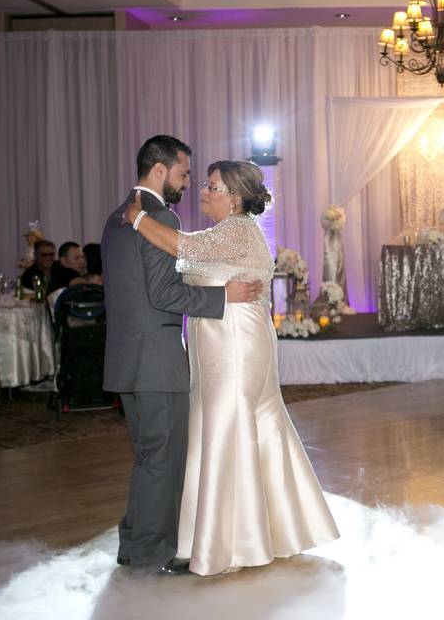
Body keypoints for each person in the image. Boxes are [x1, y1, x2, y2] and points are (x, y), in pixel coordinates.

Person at [123, 159, 339, 576]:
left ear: (235, 198)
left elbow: (181, 248)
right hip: (224, 344)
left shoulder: (238, 231)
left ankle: (233, 542)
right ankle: (266, 531)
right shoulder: (224, 233)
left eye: (213, 186)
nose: (203, 190)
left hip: (235, 346)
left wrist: (137, 219)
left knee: (228, 426)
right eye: (205, 183)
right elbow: (188, 259)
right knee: (242, 426)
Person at [102, 135, 264, 575]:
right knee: (163, 458)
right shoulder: (157, 215)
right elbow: (161, 292)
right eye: (184, 173)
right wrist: (221, 296)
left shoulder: (118, 216)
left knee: (148, 455)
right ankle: (152, 552)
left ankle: (133, 541)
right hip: (157, 360)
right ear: (160, 170)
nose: (189, 183)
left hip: (126, 358)